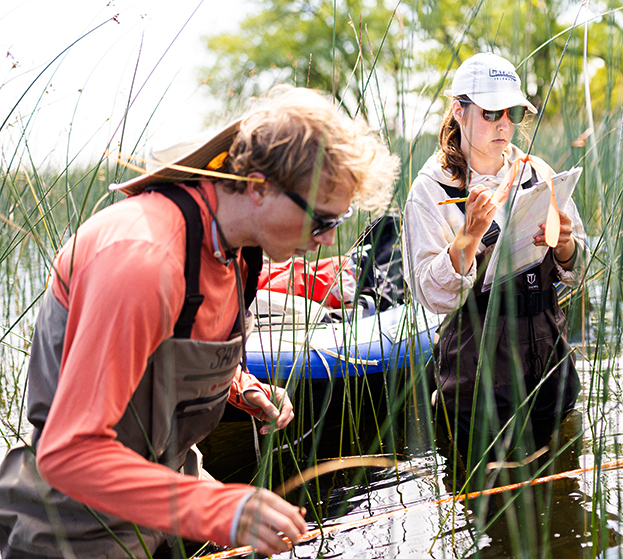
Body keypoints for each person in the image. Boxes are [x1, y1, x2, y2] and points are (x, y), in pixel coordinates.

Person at [0, 85, 398, 558]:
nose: (329, 242)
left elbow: (165, 351)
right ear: (257, 187)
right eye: (322, 221)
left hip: (161, 514)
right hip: (72, 533)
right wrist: (219, 508)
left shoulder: (237, 251)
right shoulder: (141, 259)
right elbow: (68, 453)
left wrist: (239, 386)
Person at [402, 53, 587, 465]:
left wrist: (564, 246)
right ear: (459, 110)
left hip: (548, 355)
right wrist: (469, 236)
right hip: (477, 369)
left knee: (561, 484)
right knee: (489, 503)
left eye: (514, 111)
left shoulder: (536, 170)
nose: (505, 123)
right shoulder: (431, 189)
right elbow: (432, 296)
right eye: (490, 112)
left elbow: (578, 268)